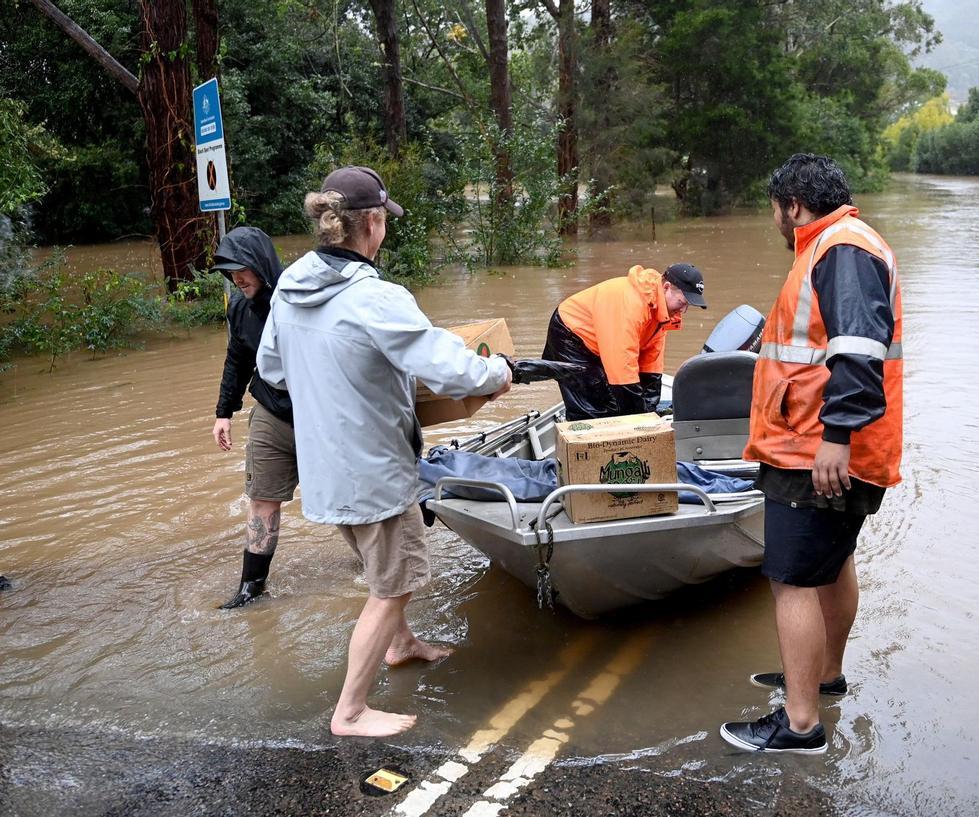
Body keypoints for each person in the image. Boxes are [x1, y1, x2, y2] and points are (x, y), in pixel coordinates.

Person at [256, 166, 512, 738]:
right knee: (394, 583)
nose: (384, 231)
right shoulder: (375, 296)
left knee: (383, 570)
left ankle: (403, 644)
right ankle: (349, 711)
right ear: (370, 223)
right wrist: (499, 369)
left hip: (322, 468)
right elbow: (449, 368)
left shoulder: (290, 286)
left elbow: (271, 369)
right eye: (383, 222)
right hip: (373, 470)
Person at [719, 153, 904, 754]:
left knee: (792, 580)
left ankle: (799, 723)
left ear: (793, 205)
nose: (775, 221)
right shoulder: (844, 244)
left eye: (775, 210)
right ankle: (823, 676)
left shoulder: (840, 249)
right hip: (829, 447)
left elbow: (856, 346)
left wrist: (837, 435)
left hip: (816, 449)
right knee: (831, 565)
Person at [210, 226, 295, 610]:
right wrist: (224, 412)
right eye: (229, 273)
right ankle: (251, 589)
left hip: (319, 415)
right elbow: (237, 359)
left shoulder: (298, 300)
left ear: (262, 264)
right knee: (261, 499)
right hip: (270, 412)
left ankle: (370, 568)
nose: (236, 279)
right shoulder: (239, 307)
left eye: (241, 269)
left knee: (347, 499)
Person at [542, 263, 706, 420]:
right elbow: (621, 371)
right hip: (571, 335)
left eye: (688, 305)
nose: (683, 310)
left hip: (605, 342)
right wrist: (638, 420)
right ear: (667, 287)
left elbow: (651, 362)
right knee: (595, 410)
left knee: (623, 406)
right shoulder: (631, 305)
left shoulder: (662, 311)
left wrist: (649, 411)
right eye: (682, 302)